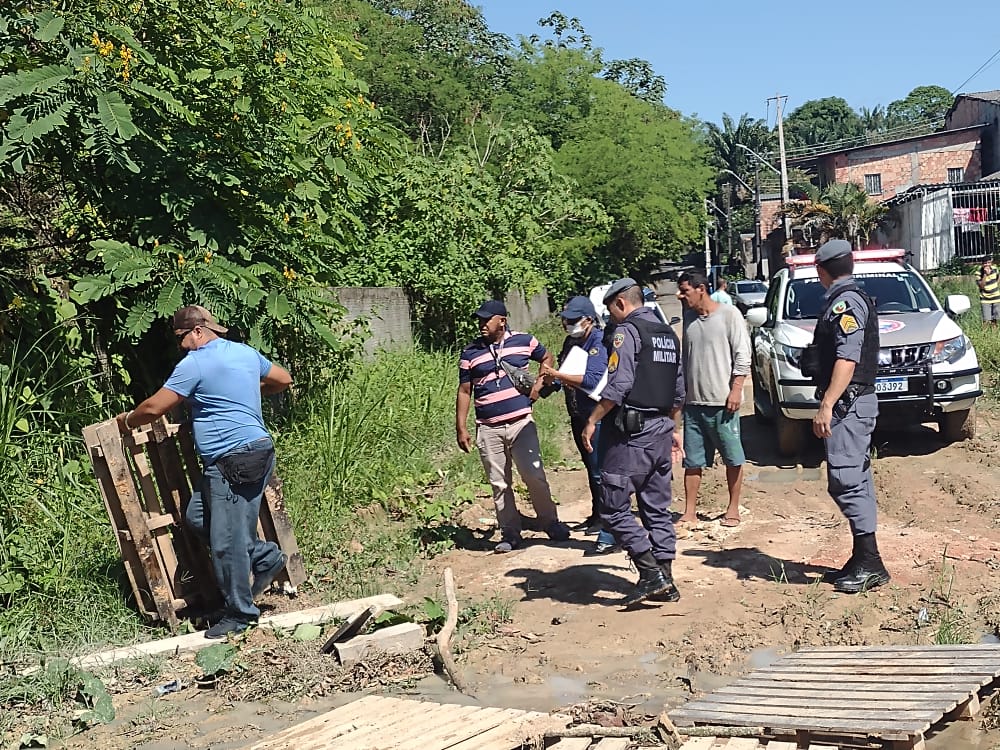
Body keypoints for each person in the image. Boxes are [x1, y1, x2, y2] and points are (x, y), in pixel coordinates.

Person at [115, 305, 293, 638]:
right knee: (198, 517)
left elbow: (155, 407)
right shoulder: (244, 353)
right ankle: (264, 556)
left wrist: (125, 421)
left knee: (226, 543)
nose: (181, 345)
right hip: (254, 452)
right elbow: (283, 379)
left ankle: (241, 614)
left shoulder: (194, 364)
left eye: (182, 337)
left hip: (233, 460)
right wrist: (251, 391)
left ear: (198, 331)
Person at [582, 278, 685, 606]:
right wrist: (673, 428)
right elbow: (680, 390)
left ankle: (650, 572)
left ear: (621, 304)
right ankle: (666, 579)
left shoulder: (628, 332)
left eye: (611, 311)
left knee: (613, 508)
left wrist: (592, 420)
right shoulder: (668, 334)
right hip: (662, 430)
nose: (610, 318)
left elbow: (618, 385)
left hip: (632, 436)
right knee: (657, 507)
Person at [804, 239, 890, 593]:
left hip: (848, 405)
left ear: (821, 270)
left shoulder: (845, 302)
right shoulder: (849, 298)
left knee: (845, 480)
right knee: (855, 479)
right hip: (855, 402)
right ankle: (863, 557)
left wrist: (827, 404)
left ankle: (871, 563)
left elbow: (847, 358)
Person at [456, 300, 570, 553]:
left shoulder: (523, 341)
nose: (482, 324)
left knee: (534, 475)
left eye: (487, 320)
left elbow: (547, 357)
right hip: (488, 428)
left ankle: (550, 522)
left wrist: (539, 385)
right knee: (499, 483)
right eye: (480, 320)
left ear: (502, 321)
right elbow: (465, 391)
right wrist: (461, 427)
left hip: (521, 423)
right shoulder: (470, 353)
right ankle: (510, 532)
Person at [539, 296, 618, 555]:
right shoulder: (572, 342)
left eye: (572, 320)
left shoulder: (597, 342)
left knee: (602, 471)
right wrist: (548, 383)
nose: (567, 325)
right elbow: (565, 375)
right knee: (590, 468)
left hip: (597, 417)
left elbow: (593, 380)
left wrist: (557, 375)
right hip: (578, 414)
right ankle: (598, 516)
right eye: (565, 320)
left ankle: (611, 530)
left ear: (588, 320)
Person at [676, 271, 751, 527]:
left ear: (701, 289)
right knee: (692, 461)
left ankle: (732, 508)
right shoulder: (689, 320)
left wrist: (736, 389)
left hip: (723, 403)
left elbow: (742, 354)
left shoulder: (729, 316)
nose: (680, 296)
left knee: (733, 457)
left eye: (684, 291)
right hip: (694, 404)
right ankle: (689, 511)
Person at [978, 258, 999, 327]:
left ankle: (994, 335)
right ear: (982, 264)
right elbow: (981, 286)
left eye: (988, 263)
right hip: (985, 299)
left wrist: (995, 286)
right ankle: (984, 335)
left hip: (996, 298)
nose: (987, 265)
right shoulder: (978, 273)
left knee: (995, 320)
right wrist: (985, 275)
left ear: (991, 263)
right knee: (986, 320)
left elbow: (998, 277)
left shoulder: (995, 269)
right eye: (985, 263)